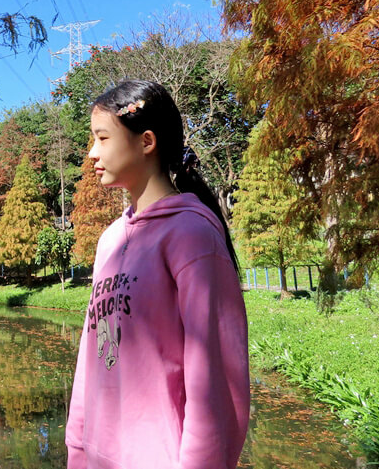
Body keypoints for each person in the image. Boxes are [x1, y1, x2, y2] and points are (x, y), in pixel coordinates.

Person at [66, 79, 249, 469]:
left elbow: (215, 379)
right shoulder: (110, 240)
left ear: (146, 141)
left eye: (102, 138)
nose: (91, 153)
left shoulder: (192, 235)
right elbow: (90, 359)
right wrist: (78, 451)